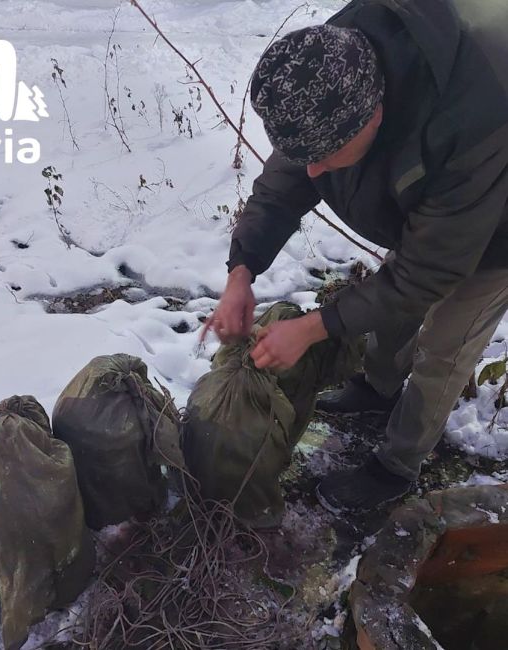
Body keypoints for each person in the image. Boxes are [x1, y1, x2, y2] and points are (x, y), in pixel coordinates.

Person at [204, 0, 508, 512]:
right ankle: (379, 388)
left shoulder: (475, 117)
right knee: (392, 305)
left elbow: (427, 273)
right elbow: (285, 181)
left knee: (444, 343)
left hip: (497, 225)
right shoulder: (327, 73)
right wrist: (241, 271)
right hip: (436, 207)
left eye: (326, 157)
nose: (316, 173)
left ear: (376, 116)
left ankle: (397, 465)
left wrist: (312, 328)